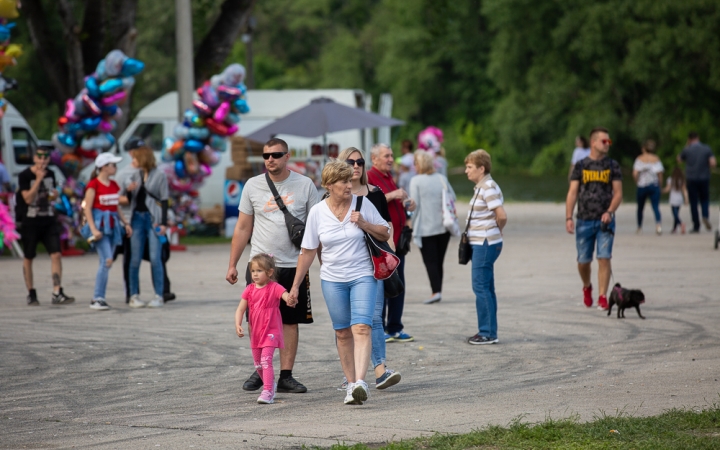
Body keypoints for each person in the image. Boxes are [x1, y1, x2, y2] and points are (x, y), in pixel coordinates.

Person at [289, 160, 391, 405]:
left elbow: (385, 232)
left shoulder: (361, 203)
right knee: (343, 332)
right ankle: (350, 384)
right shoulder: (317, 212)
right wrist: (294, 286)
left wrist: (364, 223)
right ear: (328, 185)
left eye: (349, 180)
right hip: (333, 280)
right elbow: (308, 251)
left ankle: (359, 383)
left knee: (362, 328)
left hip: (363, 275)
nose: (349, 185)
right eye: (343, 181)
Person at [226, 138, 318, 394]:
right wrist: (232, 264)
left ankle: (285, 376)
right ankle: (260, 369)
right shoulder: (253, 185)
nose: (270, 160)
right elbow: (243, 227)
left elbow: (316, 226)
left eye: (276, 155)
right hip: (259, 265)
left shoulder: (304, 184)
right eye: (266, 156)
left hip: (293, 263)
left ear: (287, 156)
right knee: (257, 319)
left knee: (289, 320)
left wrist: (323, 260)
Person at [337, 147, 401, 390]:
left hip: (372, 265)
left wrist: (389, 256)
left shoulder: (375, 194)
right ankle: (351, 375)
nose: (356, 165)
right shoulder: (330, 197)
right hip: (342, 269)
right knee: (348, 324)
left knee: (373, 318)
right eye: (350, 161)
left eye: (360, 162)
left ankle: (380, 370)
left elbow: (385, 229)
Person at [566, 127, 623, 310]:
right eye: (604, 141)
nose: (607, 144)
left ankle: (602, 296)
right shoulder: (581, 165)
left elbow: (618, 193)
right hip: (583, 219)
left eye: (609, 142)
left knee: (604, 258)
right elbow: (572, 193)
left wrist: (610, 211)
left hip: (605, 221)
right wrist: (569, 217)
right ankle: (587, 287)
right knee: (583, 262)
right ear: (593, 143)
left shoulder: (612, 165)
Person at [116, 137, 175, 303]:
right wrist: (128, 191)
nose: (133, 159)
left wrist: (163, 223)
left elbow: (164, 199)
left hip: (153, 219)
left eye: (136, 157)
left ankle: (159, 295)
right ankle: (133, 295)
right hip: (136, 219)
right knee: (134, 258)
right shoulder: (132, 174)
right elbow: (128, 199)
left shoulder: (159, 175)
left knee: (156, 258)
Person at [367, 143, 416, 343]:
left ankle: (395, 327)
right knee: (384, 285)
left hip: (398, 242)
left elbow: (393, 204)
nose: (390, 159)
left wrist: (408, 204)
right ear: (374, 159)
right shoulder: (369, 177)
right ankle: (383, 327)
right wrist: (393, 195)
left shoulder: (389, 177)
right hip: (383, 243)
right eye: (386, 156)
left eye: (391, 155)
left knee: (398, 284)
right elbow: (369, 201)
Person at [235, 254, 298, 404]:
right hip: (256, 332)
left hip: (271, 330)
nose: (255, 274)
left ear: (269, 272)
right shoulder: (249, 290)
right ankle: (270, 384)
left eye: (259, 271)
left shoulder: (275, 287)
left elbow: (285, 295)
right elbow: (240, 309)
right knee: (257, 364)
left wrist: (290, 299)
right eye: (253, 271)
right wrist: (238, 324)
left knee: (265, 360)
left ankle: (268, 390)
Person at [15, 147, 74, 306]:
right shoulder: (25, 176)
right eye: (39, 158)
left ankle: (57, 291)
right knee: (29, 257)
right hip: (30, 221)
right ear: (34, 158)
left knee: (56, 254)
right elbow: (27, 198)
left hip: (48, 219)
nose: (42, 161)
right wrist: (39, 180)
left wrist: (54, 194)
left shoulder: (51, 173)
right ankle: (31, 292)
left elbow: (50, 195)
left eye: (45, 158)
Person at [463, 150, 507, 344]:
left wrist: (497, 229)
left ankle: (487, 332)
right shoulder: (483, 186)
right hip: (484, 242)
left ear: (482, 168)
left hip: (485, 243)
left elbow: (502, 214)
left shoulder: (488, 186)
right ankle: (488, 330)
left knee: (480, 287)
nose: (466, 171)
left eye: (470, 167)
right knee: (486, 287)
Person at [83, 153, 132, 310]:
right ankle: (97, 298)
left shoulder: (113, 185)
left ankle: (99, 297)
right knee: (107, 260)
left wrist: (125, 223)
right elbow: (87, 209)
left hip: (112, 226)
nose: (115, 168)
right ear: (104, 167)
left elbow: (116, 206)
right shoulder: (93, 185)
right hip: (100, 227)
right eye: (113, 165)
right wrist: (93, 229)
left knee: (105, 262)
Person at [410, 150, 455, 304]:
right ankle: (438, 290)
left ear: (420, 164)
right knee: (439, 261)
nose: (413, 165)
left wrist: (409, 223)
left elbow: (414, 206)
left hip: (425, 228)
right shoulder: (441, 178)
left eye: (415, 162)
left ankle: (435, 292)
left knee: (430, 262)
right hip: (443, 227)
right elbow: (452, 197)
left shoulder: (416, 181)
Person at [677, 132, 716, 233]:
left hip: (691, 178)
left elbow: (679, 160)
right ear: (698, 138)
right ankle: (705, 216)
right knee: (704, 199)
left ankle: (696, 225)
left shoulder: (687, 149)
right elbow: (713, 163)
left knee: (693, 202)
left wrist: (686, 146)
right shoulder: (706, 148)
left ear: (689, 139)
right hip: (704, 178)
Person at [633, 139, 664, 235]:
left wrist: (637, 182)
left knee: (640, 207)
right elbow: (660, 174)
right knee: (655, 206)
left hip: (642, 185)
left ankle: (639, 227)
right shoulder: (656, 159)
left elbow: (634, 173)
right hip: (654, 185)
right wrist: (660, 185)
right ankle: (658, 225)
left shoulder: (639, 159)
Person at [662, 167, 689, 234]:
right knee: (676, 214)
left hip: (673, 199)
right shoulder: (681, 180)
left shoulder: (670, 179)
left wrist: (661, 191)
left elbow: (667, 189)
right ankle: (674, 229)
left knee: (675, 214)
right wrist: (686, 199)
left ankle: (681, 223)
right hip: (679, 199)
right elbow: (685, 191)